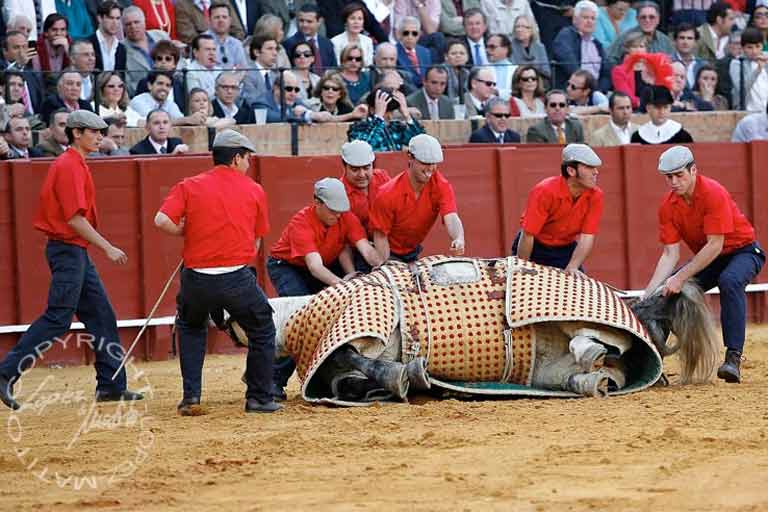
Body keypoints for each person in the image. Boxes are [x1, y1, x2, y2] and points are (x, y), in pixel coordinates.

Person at [0, 110, 144, 411]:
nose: (100, 136)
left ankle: (111, 386)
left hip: (74, 251)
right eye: (94, 132)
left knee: (102, 315)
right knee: (58, 317)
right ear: (76, 133)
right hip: (68, 250)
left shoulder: (75, 163)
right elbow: (75, 219)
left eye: (101, 132)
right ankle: (4, 372)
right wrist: (107, 247)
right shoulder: (69, 165)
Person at [154, 129, 280, 414]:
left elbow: (161, 220)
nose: (249, 164)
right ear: (236, 158)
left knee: (190, 326)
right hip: (236, 276)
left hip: (196, 277)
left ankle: (191, 398)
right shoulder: (254, 190)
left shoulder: (190, 185)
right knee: (262, 328)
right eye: (247, 158)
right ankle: (259, 398)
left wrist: (186, 230)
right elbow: (256, 242)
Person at [642, 145, 765, 383]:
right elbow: (669, 255)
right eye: (669, 177)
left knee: (730, 281)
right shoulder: (668, 206)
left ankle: (733, 358)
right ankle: (653, 364)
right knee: (662, 297)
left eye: (680, 175)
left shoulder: (713, 192)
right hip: (711, 258)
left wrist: (680, 278)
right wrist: (650, 293)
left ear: (694, 170)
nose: (674, 182)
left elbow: (715, 245)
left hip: (744, 251)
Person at [267, 177, 382, 400]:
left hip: (321, 267)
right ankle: (271, 381)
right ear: (317, 202)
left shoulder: (345, 217)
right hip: (288, 268)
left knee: (329, 320)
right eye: (332, 210)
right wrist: (342, 286)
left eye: (340, 211)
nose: (337, 215)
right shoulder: (301, 221)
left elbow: (365, 250)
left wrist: (383, 266)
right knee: (300, 320)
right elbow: (315, 267)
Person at [369, 133, 466, 263]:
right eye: (425, 163)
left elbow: (451, 216)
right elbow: (380, 236)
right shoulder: (388, 193)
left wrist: (459, 238)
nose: (430, 169)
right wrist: (387, 266)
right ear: (410, 157)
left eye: (434, 163)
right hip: (384, 252)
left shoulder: (441, 185)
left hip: (412, 252)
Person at [512, 143, 603, 272]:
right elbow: (528, 235)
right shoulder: (545, 191)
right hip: (535, 248)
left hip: (565, 249)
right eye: (589, 167)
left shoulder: (596, 195)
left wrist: (573, 266)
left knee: (577, 286)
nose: (596, 172)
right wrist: (523, 265)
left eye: (595, 167)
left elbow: (587, 236)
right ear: (571, 171)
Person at [552, 0, 612, 92]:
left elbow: (606, 73)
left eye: (593, 18)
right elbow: (571, 66)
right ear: (575, 19)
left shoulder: (597, 44)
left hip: (594, 92)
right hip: (571, 91)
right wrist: (589, 88)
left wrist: (599, 91)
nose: (589, 21)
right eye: (585, 17)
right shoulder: (566, 35)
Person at [348, 85, 426, 152]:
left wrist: (407, 115)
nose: (390, 115)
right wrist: (379, 116)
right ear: (372, 109)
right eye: (386, 111)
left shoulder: (396, 127)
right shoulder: (359, 128)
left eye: (392, 111)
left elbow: (421, 143)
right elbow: (362, 148)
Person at [339, 140, 391, 236]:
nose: (362, 175)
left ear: (372, 165)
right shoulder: (340, 193)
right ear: (344, 167)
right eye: (355, 169)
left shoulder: (382, 177)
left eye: (366, 168)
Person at [606, 2, 675, 66]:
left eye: (652, 17)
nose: (647, 20)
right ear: (637, 19)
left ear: (658, 19)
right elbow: (609, 60)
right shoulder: (625, 37)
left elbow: (673, 63)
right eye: (643, 17)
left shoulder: (665, 41)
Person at [123, 6, 171, 96]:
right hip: (142, 96)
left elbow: (179, 63)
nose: (133, 27)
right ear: (123, 27)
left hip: (170, 91)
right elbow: (126, 84)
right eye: (128, 24)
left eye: (136, 22)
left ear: (144, 21)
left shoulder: (161, 36)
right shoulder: (121, 49)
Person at [253, 70, 334, 124]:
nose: (293, 93)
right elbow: (274, 118)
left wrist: (315, 114)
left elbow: (314, 115)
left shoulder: (295, 101)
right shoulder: (260, 103)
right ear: (276, 88)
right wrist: (308, 115)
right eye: (289, 89)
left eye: (296, 90)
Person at [283, 3, 338, 75]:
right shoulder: (289, 44)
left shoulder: (327, 43)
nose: (304, 25)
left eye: (309, 21)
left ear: (319, 22)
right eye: (301, 21)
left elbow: (334, 70)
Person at [611, 31, 656, 110]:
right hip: (632, 110)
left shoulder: (653, 69)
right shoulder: (619, 71)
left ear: (646, 49)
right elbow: (626, 97)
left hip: (655, 108)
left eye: (641, 46)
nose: (638, 50)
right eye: (634, 47)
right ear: (628, 49)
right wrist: (646, 104)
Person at [730, 27, 768, 112]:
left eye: (758, 46)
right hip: (747, 113)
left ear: (763, 45)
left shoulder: (766, 58)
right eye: (749, 47)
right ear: (743, 48)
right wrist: (758, 70)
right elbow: (741, 90)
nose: (754, 51)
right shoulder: (737, 63)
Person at [174, 0, 245, 45]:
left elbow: (238, 31)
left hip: (230, 49)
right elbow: (188, 36)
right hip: (202, 54)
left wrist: (228, 45)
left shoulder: (223, 1)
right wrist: (212, 47)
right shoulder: (182, 5)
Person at [205, 2, 247, 70]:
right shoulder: (201, 42)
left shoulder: (237, 44)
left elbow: (243, 70)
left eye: (224, 17)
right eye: (217, 17)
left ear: (230, 20)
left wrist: (232, 78)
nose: (221, 20)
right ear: (209, 20)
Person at [242, 35, 280, 108]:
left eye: (276, 49)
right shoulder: (247, 74)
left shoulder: (276, 75)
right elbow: (253, 101)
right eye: (270, 49)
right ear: (257, 52)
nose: (275, 53)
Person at [88, 1, 127, 73]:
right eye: (111, 18)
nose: (115, 23)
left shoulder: (122, 48)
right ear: (99, 18)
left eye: (118, 18)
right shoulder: (88, 43)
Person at [509, 14, 551, 81]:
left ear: (532, 30)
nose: (519, 30)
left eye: (524, 27)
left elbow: (547, 72)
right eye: (517, 27)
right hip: (517, 83)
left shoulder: (539, 47)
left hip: (538, 84)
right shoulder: (509, 46)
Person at [395, 17, 433, 88]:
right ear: (399, 34)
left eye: (414, 33)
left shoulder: (425, 52)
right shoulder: (393, 52)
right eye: (406, 33)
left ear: (419, 35)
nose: (410, 37)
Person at [486, 34, 516, 99]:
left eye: (492, 47)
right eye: (487, 47)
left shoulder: (516, 70)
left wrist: (498, 92)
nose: (487, 50)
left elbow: (518, 92)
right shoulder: (482, 69)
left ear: (505, 49)